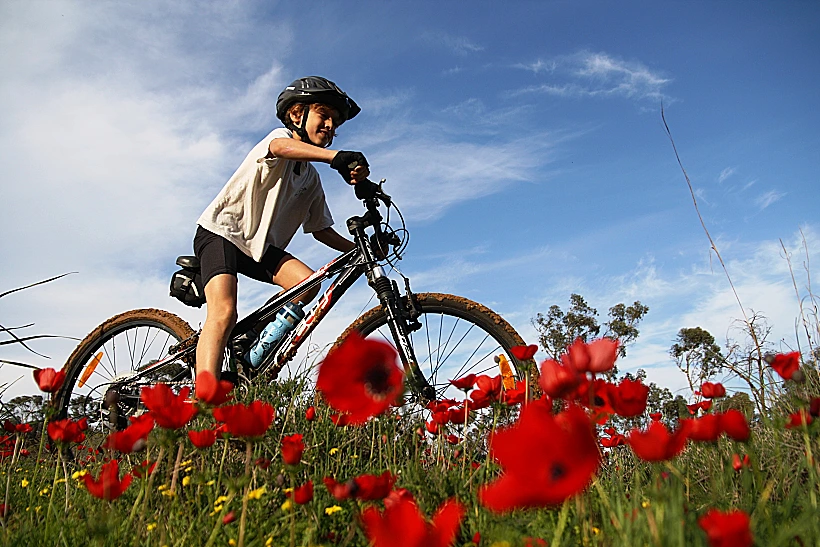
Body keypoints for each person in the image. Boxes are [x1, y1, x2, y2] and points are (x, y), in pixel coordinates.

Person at [193, 76, 370, 379]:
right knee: (224, 312)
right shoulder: (280, 139)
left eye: (335, 122)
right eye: (324, 115)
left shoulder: (310, 179)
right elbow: (281, 147)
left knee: (308, 285)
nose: (330, 125)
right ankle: (205, 395)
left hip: (257, 248)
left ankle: (249, 341)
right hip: (222, 233)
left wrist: (359, 250)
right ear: (297, 114)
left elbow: (321, 230)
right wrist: (335, 157)